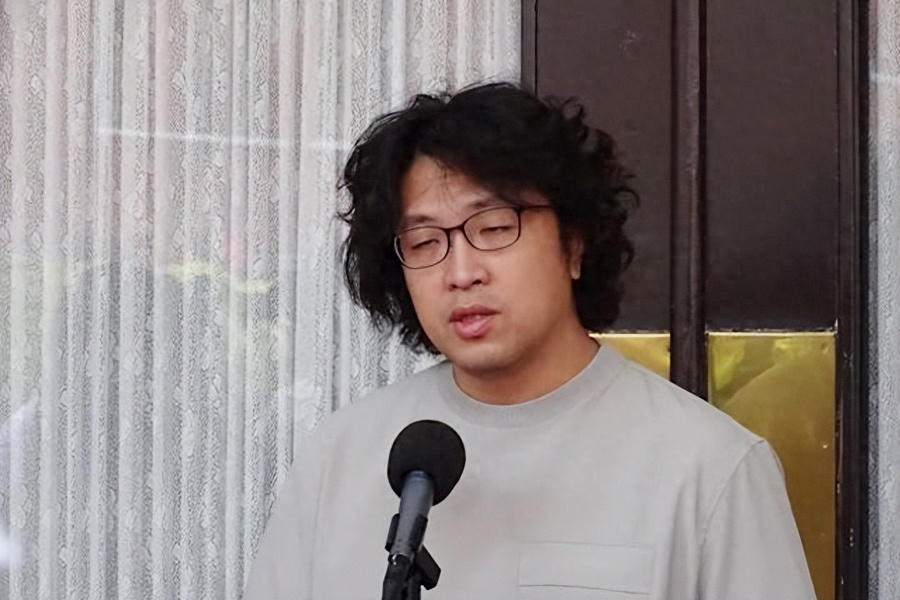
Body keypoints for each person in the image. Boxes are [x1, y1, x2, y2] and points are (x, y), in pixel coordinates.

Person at [243, 83, 815, 599]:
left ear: (573, 244)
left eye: (494, 228)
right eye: (424, 243)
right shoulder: (339, 458)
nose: (461, 272)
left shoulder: (709, 468)